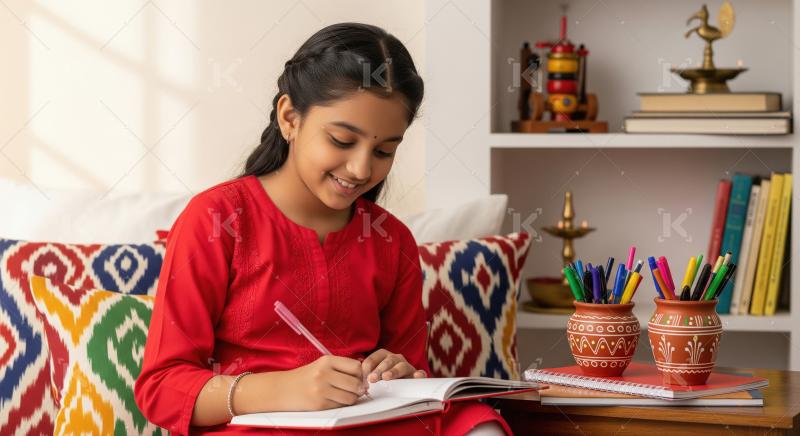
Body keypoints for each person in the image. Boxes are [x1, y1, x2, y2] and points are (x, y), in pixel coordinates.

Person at [134, 22, 510, 436]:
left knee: (475, 422)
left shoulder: (392, 239)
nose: (362, 169)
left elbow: (412, 381)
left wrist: (399, 372)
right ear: (289, 117)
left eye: (384, 150)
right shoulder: (216, 219)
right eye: (342, 141)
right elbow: (161, 388)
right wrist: (281, 389)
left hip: (364, 425)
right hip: (257, 429)